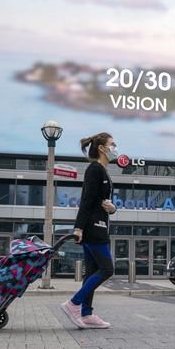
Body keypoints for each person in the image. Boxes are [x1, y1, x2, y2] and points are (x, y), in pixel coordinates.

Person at [60, 132, 118, 329]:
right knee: (107, 269)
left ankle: (86, 314)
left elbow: (103, 202)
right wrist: (79, 228)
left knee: (92, 271)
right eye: (112, 144)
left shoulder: (103, 170)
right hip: (94, 228)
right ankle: (73, 303)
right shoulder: (94, 169)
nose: (115, 148)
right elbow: (86, 200)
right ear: (102, 148)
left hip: (100, 224)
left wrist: (113, 208)